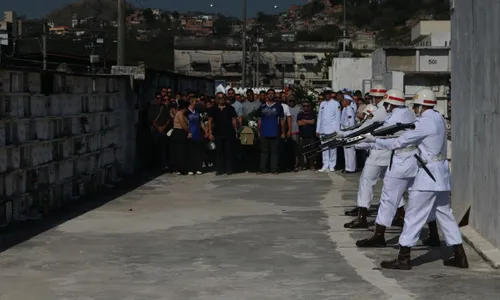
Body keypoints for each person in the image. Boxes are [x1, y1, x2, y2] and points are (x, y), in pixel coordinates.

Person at [361, 88, 468, 270]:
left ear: (421, 106)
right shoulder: (438, 118)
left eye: (417, 106)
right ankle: (459, 255)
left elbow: (399, 142)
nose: (415, 110)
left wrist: (373, 140)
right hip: (440, 176)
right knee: (445, 215)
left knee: (413, 216)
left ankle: (403, 258)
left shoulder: (424, 122)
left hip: (427, 176)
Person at [354, 89, 419, 248]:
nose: (385, 105)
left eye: (386, 103)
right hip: (412, 159)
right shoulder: (408, 113)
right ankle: (431, 232)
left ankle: (379, 235)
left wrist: (363, 141)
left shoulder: (394, 117)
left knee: (387, 197)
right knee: (417, 199)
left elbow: (382, 136)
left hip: (398, 158)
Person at [207, 92, 238, 176]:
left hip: (229, 133)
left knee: (228, 151)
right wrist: (210, 132)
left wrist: (236, 131)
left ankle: (228, 169)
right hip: (217, 133)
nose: (221, 99)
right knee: (218, 152)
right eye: (219, 98)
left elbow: (234, 120)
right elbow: (210, 121)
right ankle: (219, 169)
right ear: (216, 99)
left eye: (222, 98)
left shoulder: (230, 108)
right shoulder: (213, 109)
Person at [256, 88, 285, 174]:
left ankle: (274, 169)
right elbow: (259, 120)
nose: (271, 95)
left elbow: (282, 120)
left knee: (274, 152)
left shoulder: (279, 106)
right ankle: (263, 169)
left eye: (272, 93)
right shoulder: (262, 106)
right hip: (264, 132)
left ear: (274, 95)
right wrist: (258, 131)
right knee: (264, 152)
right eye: (269, 93)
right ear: (266, 95)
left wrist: (283, 132)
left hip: (275, 132)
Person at [316, 89, 341, 172]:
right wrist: (318, 129)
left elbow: (338, 118)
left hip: (332, 130)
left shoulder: (336, 104)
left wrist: (337, 131)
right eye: (325, 94)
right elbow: (319, 118)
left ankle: (332, 165)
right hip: (323, 129)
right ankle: (325, 164)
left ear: (331, 95)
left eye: (327, 94)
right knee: (324, 148)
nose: (326, 96)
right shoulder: (322, 104)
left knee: (333, 148)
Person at [148, 92, 171, 170]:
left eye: (160, 98)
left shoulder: (164, 108)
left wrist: (164, 127)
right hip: (155, 131)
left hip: (163, 131)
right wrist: (158, 127)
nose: (159, 100)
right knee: (154, 148)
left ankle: (162, 165)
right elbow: (151, 119)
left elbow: (168, 119)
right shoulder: (152, 108)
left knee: (163, 149)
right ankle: (154, 165)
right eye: (158, 98)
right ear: (155, 99)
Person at [186, 97, 207, 175]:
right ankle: (190, 168)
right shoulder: (187, 112)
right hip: (190, 133)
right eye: (196, 102)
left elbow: (201, 122)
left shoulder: (197, 112)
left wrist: (205, 131)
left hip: (197, 133)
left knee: (198, 152)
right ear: (191, 102)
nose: (197, 103)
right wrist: (187, 132)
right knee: (190, 152)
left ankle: (198, 167)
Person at [170, 100, 190, 175]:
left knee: (179, 151)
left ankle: (179, 168)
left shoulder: (179, 113)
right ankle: (180, 168)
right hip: (179, 133)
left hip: (178, 133)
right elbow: (183, 125)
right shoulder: (180, 114)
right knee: (180, 151)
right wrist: (189, 131)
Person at [297, 101, 317, 170]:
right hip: (302, 136)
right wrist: (308, 121)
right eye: (304, 106)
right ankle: (301, 165)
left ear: (309, 106)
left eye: (307, 106)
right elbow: (299, 123)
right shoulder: (300, 114)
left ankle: (311, 165)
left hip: (311, 136)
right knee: (301, 151)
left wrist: (304, 121)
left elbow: (313, 122)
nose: (306, 107)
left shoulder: (313, 113)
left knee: (312, 151)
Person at [340, 94, 357, 173]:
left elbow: (351, 123)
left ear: (347, 102)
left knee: (350, 151)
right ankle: (348, 167)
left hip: (349, 131)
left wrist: (349, 132)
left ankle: (351, 168)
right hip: (344, 131)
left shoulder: (349, 110)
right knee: (346, 150)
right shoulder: (345, 109)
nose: (342, 103)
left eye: (343, 101)